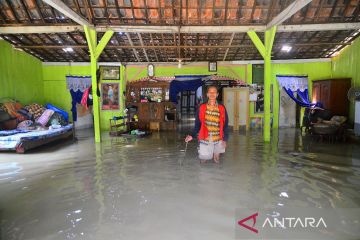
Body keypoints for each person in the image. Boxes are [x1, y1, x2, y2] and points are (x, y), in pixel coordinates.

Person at [184, 86, 229, 163]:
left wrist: (225, 139)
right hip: (205, 137)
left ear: (217, 94)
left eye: (214, 92)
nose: (212, 94)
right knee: (203, 159)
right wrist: (192, 135)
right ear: (207, 94)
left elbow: (225, 124)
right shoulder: (202, 107)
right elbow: (197, 123)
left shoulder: (222, 107)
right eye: (210, 92)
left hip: (218, 137)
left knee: (217, 159)